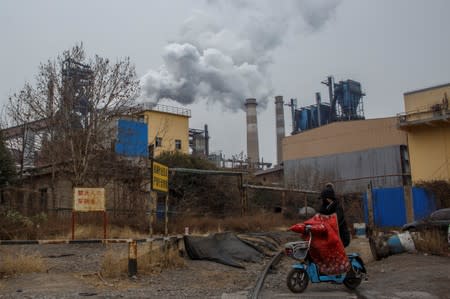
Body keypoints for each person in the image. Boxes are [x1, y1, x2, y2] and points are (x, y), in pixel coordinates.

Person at [318, 183, 350, 247]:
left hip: (341, 236)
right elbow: (319, 215)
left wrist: (326, 222)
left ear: (327, 198)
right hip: (330, 236)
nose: (322, 200)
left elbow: (337, 220)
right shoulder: (325, 206)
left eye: (323, 199)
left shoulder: (337, 207)